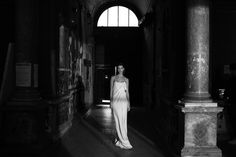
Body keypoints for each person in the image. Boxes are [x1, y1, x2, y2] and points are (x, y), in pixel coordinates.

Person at [110, 63, 133, 149]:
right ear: (117, 69)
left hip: (124, 102)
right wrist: (111, 102)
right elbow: (111, 90)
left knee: (123, 121)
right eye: (118, 68)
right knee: (117, 120)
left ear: (123, 69)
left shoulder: (126, 79)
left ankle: (123, 140)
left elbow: (127, 92)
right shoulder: (113, 78)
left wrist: (129, 103)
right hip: (116, 102)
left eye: (121, 68)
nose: (120, 69)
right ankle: (121, 140)